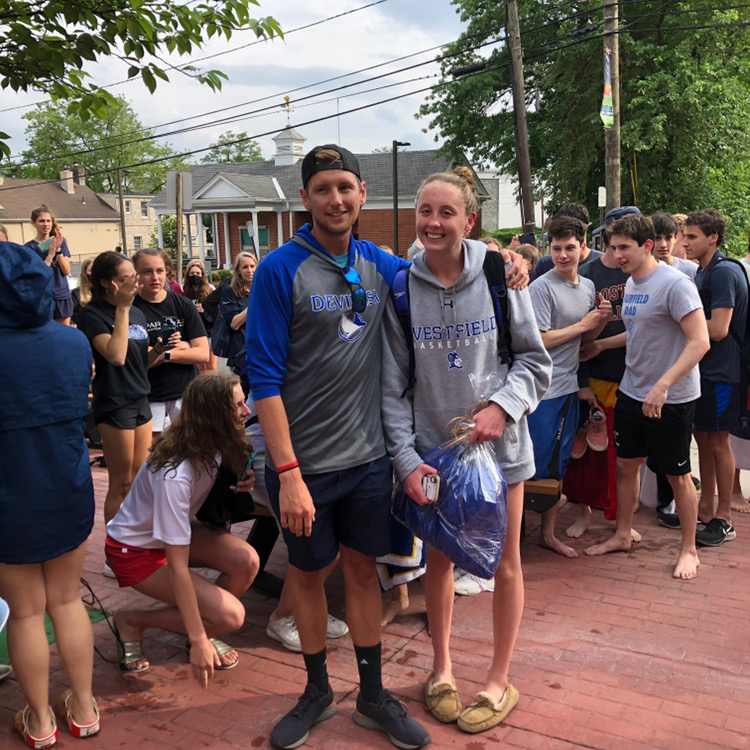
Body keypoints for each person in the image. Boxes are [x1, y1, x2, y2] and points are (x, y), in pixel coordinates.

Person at [246, 144, 431, 750]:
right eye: (323, 188)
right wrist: (289, 474)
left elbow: (439, 278)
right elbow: (264, 382)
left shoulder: (379, 263)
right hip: (306, 467)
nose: (336, 199)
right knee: (305, 575)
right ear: (305, 198)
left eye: (346, 187)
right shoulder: (279, 270)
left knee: (362, 574)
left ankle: (373, 697)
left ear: (362, 195)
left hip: (370, 461)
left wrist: (496, 266)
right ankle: (317, 690)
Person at [381, 167, 551, 734]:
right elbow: (393, 385)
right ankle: (442, 669)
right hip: (435, 453)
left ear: (469, 220)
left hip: (502, 453)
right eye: (426, 212)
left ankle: (500, 678)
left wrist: (500, 408)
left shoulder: (502, 277)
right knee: (439, 559)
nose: (434, 222)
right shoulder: (401, 289)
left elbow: (534, 362)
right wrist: (407, 460)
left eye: (446, 212)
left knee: (506, 562)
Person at [0, 239, 99, 747]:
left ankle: (39, 721)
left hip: (9, 499)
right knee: (66, 600)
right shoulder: (74, 342)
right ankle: (82, 708)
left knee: (26, 611)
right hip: (66, 487)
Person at [106, 372, 259, 680]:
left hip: (169, 535)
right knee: (232, 616)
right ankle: (133, 621)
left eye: (245, 402)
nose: (247, 412)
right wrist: (200, 640)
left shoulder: (211, 441)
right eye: (238, 406)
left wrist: (245, 477)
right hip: (134, 550)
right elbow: (177, 569)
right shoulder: (175, 474)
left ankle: (200, 621)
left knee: (247, 561)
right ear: (214, 416)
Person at [585, 214, 709, 580]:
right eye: (612, 247)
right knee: (626, 465)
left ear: (647, 245)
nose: (617, 254)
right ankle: (623, 534)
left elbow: (700, 341)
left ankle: (689, 549)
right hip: (631, 391)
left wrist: (664, 384)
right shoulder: (633, 283)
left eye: (624, 247)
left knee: (677, 474)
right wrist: (601, 344)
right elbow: (639, 330)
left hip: (670, 398)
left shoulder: (675, 285)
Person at [527, 216, 611, 557]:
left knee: (556, 466)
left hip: (568, 389)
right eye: (556, 248)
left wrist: (598, 322)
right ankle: (509, 537)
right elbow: (540, 341)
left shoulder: (588, 287)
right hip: (540, 391)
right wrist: (584, 325)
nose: (563, 255)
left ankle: (547, 534)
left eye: (570, 248)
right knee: (528, 466)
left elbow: (583, 339)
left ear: (582, 245)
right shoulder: (541, 288)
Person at [683, 209, 748, 546]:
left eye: (692, 236)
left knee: (719, 442)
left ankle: (724, 517)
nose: (684, 242)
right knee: (703, 438)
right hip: (704, 371)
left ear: (713, 237)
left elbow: (719, 328)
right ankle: (706, 507)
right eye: (685, 235)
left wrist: (677, 324)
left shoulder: (723, 273)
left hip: (723, 372)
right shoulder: (701, 272)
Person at [75, 251, 152, 524]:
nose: (134, 282)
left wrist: (164, 352)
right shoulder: (91, 314)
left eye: (134, 275)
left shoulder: (139, 312)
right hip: (114, 401)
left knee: (140, 478)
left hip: (140, 397)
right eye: (126, 278)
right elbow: (116, 356)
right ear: (108, 283)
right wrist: (122, 308)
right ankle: (114, 550)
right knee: (122, 482)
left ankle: (134, 545)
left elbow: (139, 359)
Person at [132, 248, 208, 438]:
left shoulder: (183, 305)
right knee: (153, 457)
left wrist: (163, 353)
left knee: (191, 451)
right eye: (147, 271)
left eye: (159, 271)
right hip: (150, 395)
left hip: (184, 392)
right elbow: (139, 361)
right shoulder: (131, 310)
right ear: (136, 274)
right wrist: (184, 347)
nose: (155, 277)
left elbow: (202, 354)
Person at [24, 206, 74, 324]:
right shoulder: (29, 248)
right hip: (43, 296)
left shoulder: (61, 242)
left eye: (48, 221)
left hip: (61, 294)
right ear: (33, 223)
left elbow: (66, 271)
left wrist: (58, 251)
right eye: (41, 221)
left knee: (64, 333)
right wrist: (50, 254)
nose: (45, 224)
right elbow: (37, 275)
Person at [530, 203, 603, 281]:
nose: (563, 256)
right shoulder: (545, 264)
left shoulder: (603, 262)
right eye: (557, 249)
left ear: (585, 227)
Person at [221, 251, 256, 394]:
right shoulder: (229, 291)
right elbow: (234, 323)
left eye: (253, 266)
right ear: (238, 271)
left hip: (260, 348)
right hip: (240, 352)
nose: (250, 270)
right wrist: (255, 301)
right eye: (245, 267)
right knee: (242, 395)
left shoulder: (263, 287)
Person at [182, 259, 217, 372]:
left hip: (208, 332)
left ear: (202, 275)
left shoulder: (210, 290)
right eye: (192, 273)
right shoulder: (183, 291)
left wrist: (205, 310)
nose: (195, 276)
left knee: (211, 367)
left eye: (197, 273)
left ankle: (213, 389)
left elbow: (216, 313)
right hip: (193, 333)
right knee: (199, 368)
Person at [651, 212, 697, 278]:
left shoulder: (692, 270)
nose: (663, 245)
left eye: (668, 238)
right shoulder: (639, 271)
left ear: (675, 238)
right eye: (657, 238)